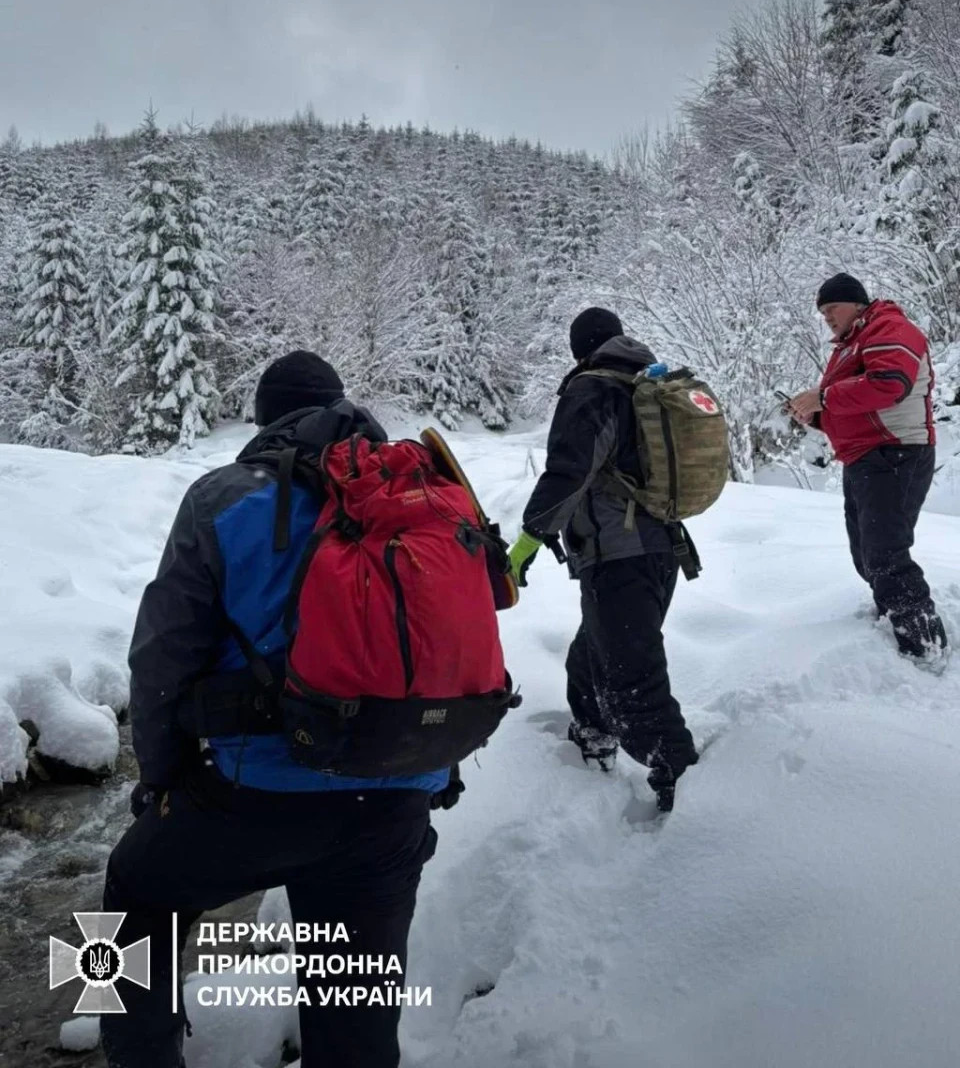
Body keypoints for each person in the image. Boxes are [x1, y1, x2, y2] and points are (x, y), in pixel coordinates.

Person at [100, 351, 460, 1068]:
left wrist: (163, 777)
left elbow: (161, 659)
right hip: (392, 804)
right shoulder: (420, 499)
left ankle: (137, 1054)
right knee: (354, 1004)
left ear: (264, 421)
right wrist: (435, 770)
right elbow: (451, 646)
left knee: (122, 905)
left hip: (255, 798)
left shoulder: (223, 498)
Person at [508, 307, 699, 809]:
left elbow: (569, 471)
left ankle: (692, 794)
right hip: (660, 550)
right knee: (592, 655)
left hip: (621, 554)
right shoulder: (644, 384)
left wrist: (526, 542)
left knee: (631, 684)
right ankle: (592, 742)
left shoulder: (593, 388)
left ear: (580, 349)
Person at [790, 273, 947, 661]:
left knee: (885, 554)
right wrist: (815, 416)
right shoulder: (850, 344)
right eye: (822, 311)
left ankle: (924, 649)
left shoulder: (889, 327)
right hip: (866, 457)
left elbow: (888, 385)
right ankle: (898, 624)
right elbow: (855, 406)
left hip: (894, 453)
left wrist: (823, 397)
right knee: (867, 552)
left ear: (857, 303)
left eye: (832, 308)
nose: (826, 317)